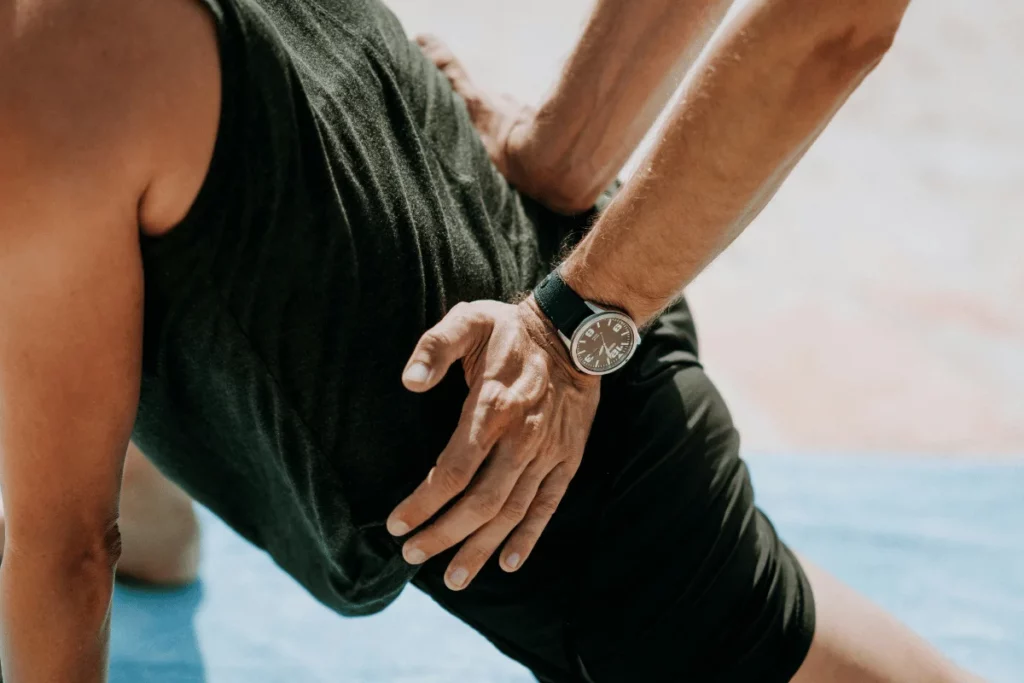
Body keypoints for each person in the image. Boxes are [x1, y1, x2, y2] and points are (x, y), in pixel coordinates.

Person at [0, 0, 982, 681]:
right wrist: (564, 156)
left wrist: (575, 321)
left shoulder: (50, 95)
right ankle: (147, 485)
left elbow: (63, 552)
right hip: (512, 223)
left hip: (524, 429)